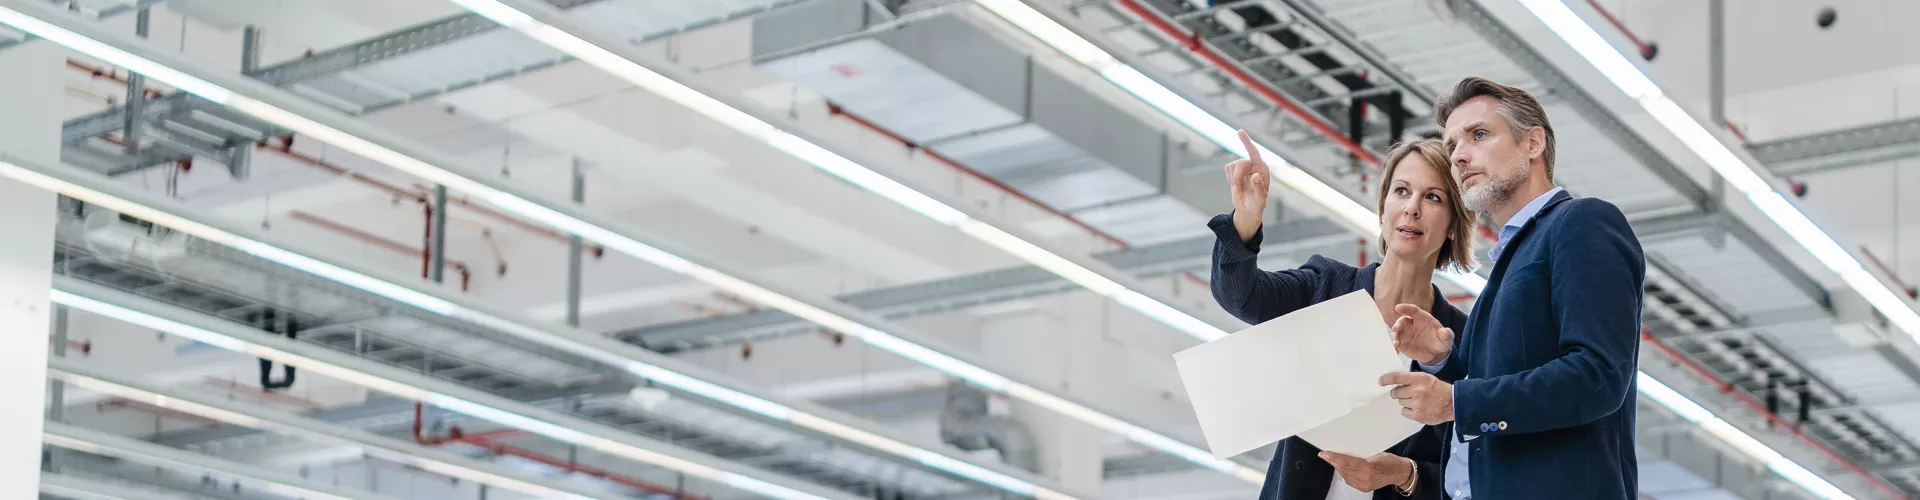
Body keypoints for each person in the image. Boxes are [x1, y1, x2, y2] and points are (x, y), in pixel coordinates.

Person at [1382, 76, 1646, 500]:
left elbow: (1598, 375)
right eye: (1452, 145)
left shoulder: (1581, 222)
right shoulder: (1511, 258)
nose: (1459, 156)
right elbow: (1500, 387)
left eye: (1478, 135)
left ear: (1533, 143)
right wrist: (1442, 360)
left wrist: (1456, 402)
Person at [1210, 130, 1473, 500]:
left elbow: (1472, 468)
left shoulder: (1464, 339)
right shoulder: (1327, 286)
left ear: (1453, 225)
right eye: (1401, 191)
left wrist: (1404, 474)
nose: (1412, 207)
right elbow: (1242, 296)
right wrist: (1245, 219)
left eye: (1432, 197)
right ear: (1384, 208)